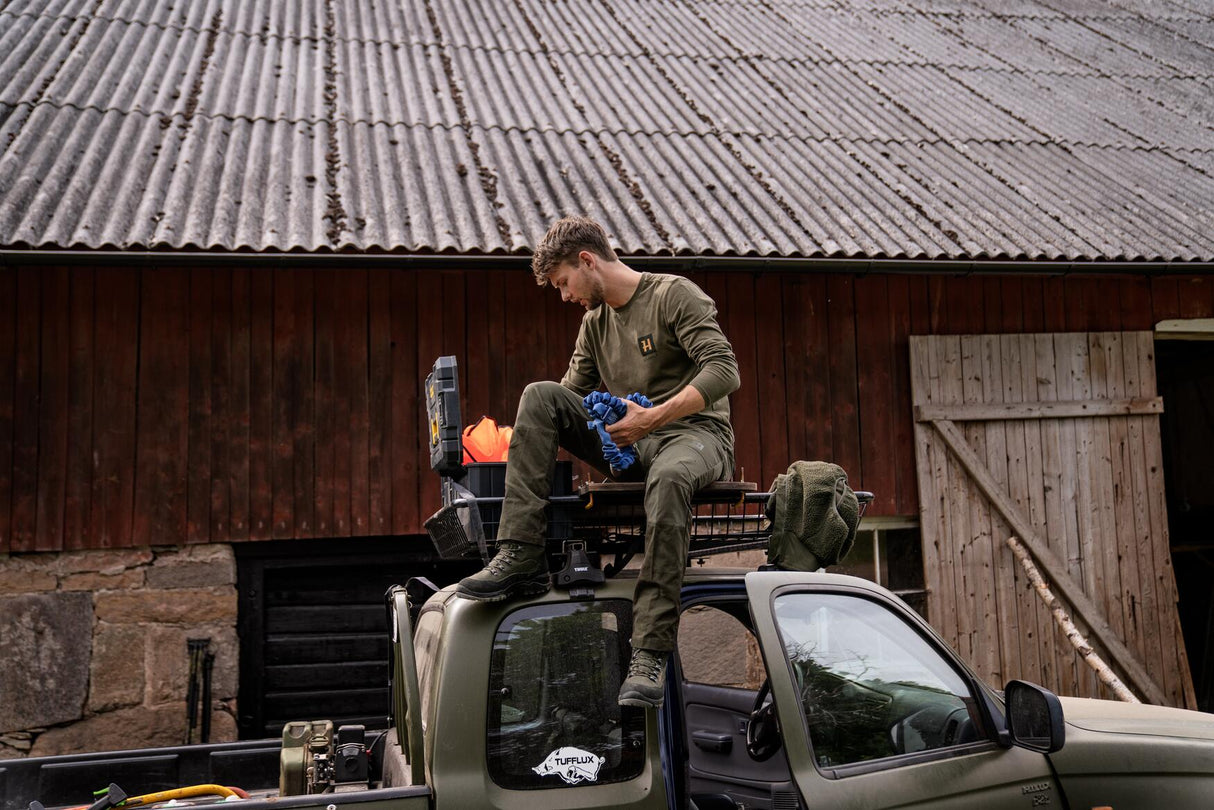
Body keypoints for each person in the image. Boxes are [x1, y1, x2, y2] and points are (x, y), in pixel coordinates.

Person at [456, 215, 740, 709]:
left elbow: (724, 369)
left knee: (669, 478)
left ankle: (650, 652)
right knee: (540, 396)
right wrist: (509, 445)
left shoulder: (674, 295)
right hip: (634, 444)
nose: (565, 296)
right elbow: (567, 399)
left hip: (696, 438)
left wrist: (651, 419)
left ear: (587, 260)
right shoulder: (595, 324)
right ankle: (520, 554)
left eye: (563, 282)